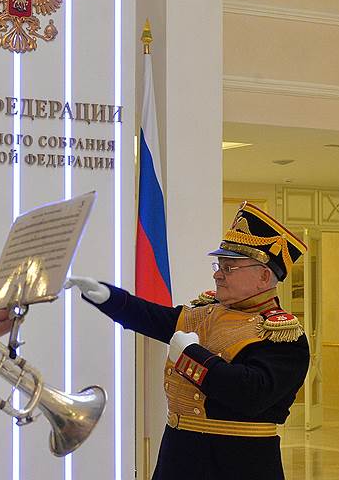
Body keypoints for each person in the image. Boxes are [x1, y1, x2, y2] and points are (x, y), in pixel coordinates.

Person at [66, 202, 309, 480]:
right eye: (219, 265)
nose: (217, 274)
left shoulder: (282, 335)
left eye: (229, 267)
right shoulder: (204, 313)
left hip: (238, 463)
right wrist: (108, 297)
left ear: (264, 276)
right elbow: (151, 318)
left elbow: (249, 394)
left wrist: (190, 355)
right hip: (178, 456)